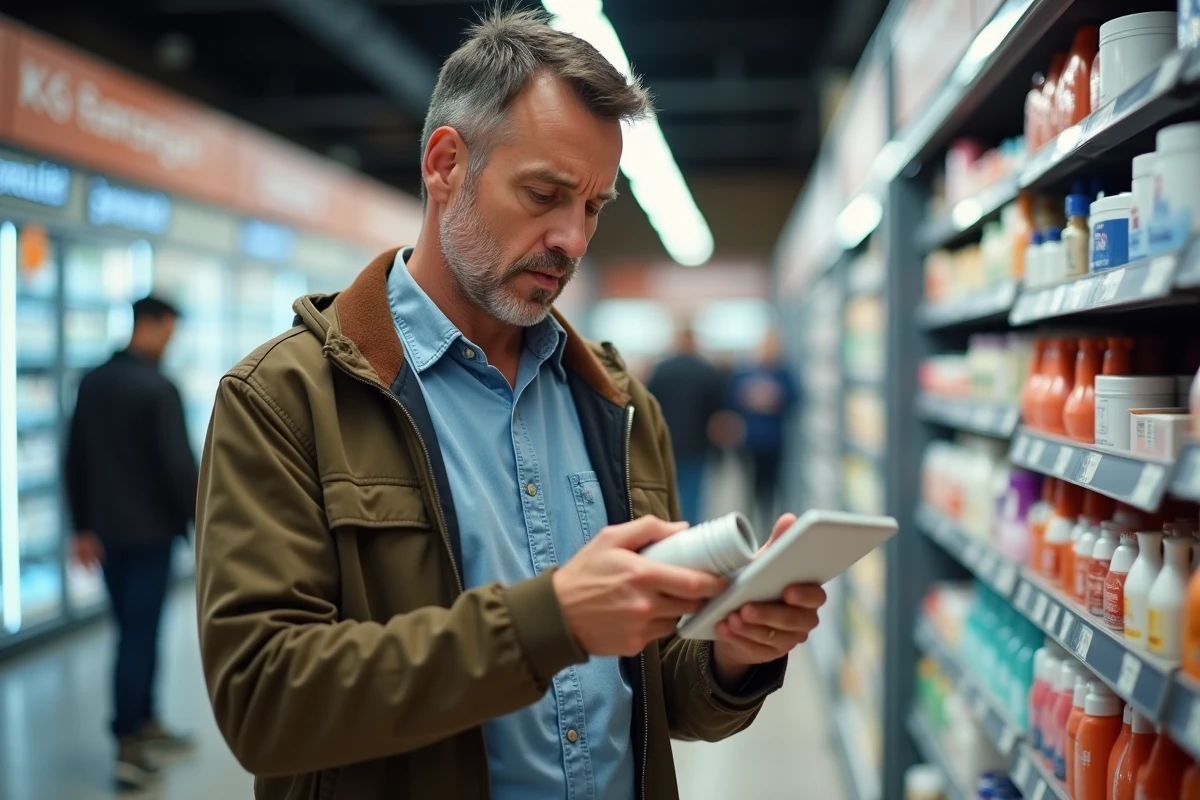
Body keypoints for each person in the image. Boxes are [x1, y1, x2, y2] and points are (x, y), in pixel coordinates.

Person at [195, 9, 826, 800]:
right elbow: (263, 703)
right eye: (545, 193)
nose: (572, 237)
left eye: (595, 206)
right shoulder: (284, 402)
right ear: (446, 164)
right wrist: (549, 621)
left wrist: (734, 654)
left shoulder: (620, 403)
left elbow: (655, 692)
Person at [65, 295, 198, 792]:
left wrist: (80, 527)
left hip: (106, 536)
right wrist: (204, 524)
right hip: (150, 536)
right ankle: (128, 744)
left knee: (131, 630)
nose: (171, 340)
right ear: (155, 325)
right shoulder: (159, 388)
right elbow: (178, 470)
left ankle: (146, 723)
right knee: (139, 638)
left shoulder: (92, 381)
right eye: (170, 330)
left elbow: (73, 456)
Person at [645, 323, 726, 524]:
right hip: (697, 444)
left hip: (666, 443)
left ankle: (668, 533)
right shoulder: (706, 371)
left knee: (666, 493)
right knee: (692, 498)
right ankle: (689, 536)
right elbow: (718, 413)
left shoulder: (662, 370)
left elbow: (648, 405)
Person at [726, 328, 800, 530]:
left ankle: (771, 523)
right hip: (750, 440)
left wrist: (776, 399)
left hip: (774, 441)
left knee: (772, 486)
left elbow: (795, 399)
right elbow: (732, 399)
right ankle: (748, 523)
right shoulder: (746, 372)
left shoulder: (783, 372)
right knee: (749, 485)